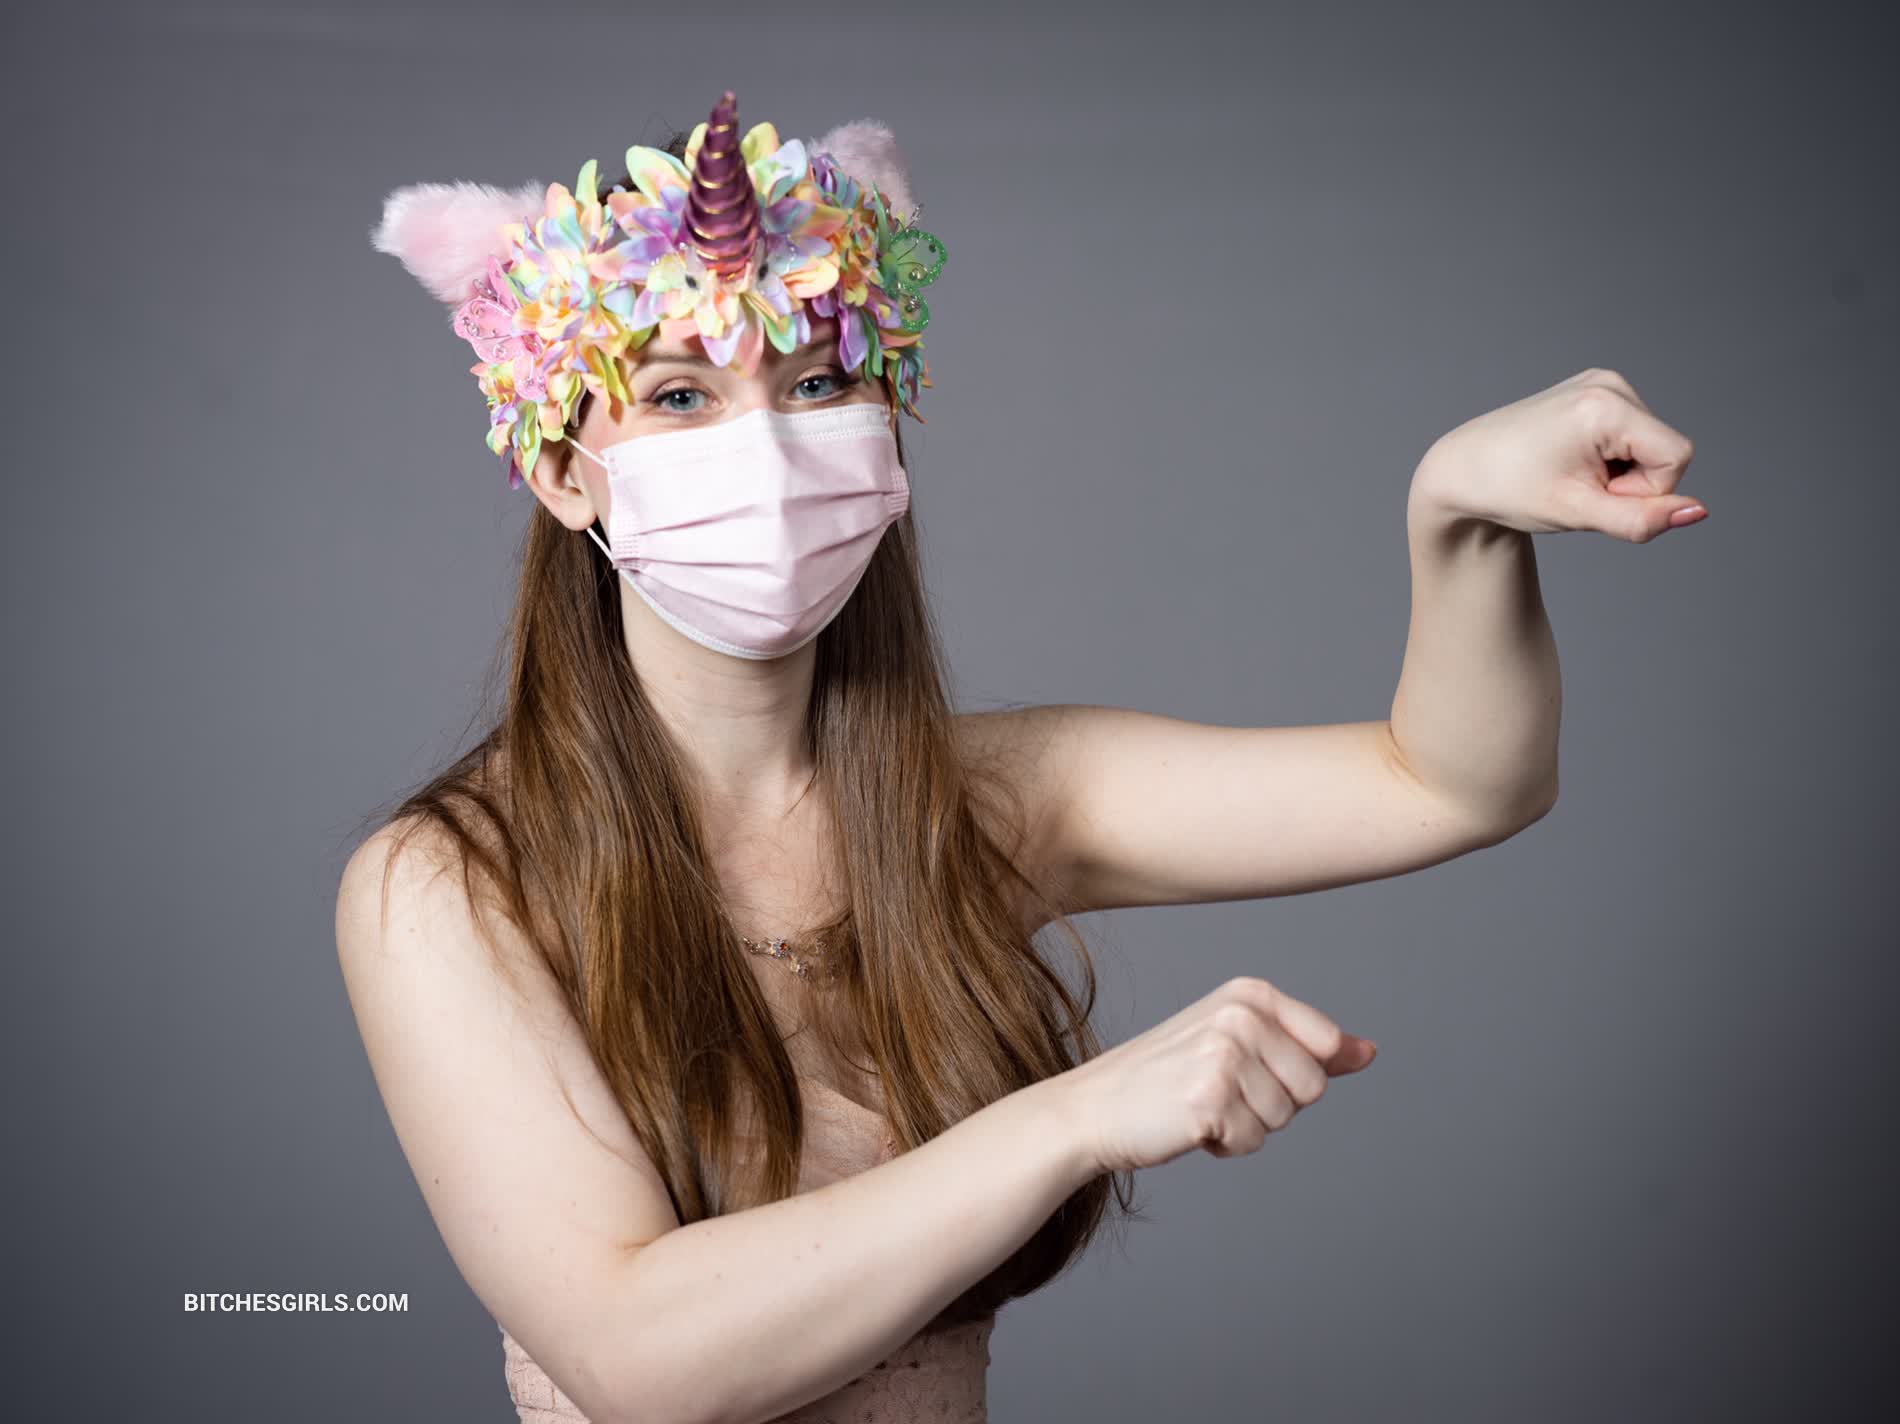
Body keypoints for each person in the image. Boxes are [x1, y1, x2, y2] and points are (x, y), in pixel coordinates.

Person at [341, 89, 1703, 1424]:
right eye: (682, 394)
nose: (766, 449)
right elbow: (640, 1364)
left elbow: (1457, 782)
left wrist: (1457, 510)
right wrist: (1077, 1115)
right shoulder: (450, 887)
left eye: (817, 381)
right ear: (562, 470)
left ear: (885, 423)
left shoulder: (983, 808)